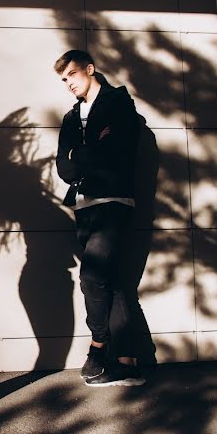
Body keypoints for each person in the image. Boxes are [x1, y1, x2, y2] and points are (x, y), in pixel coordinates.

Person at [54, 50, 146, 387]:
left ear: (90, 70)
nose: (69, 85)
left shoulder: (118, 104)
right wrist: (86, 152)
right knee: (113, 280)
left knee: (92, 276)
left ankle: (98, 347)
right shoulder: (70, 118)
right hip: (84, 206)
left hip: (114, 201)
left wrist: (80, 153)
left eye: (73, 76)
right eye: (63, 80)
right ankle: (128, 362)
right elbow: (64, 169)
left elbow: (119, 150)